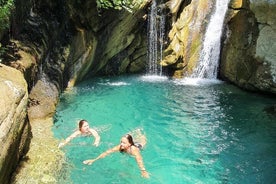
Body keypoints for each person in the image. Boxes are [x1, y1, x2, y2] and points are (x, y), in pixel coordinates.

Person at [83, 130, 150, 178]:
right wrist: (94, 160)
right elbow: (107, 152)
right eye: (121, 142)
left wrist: (143, 170)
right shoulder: (120, 147)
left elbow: (139, 159)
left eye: (124, 143)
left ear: (129, 144)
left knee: (143, 140)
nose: (121, 144)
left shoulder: (133, 149)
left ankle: (141, 133)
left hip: (139, 146)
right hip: (131, 144)